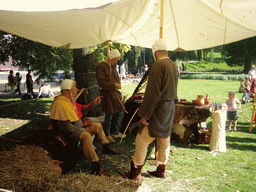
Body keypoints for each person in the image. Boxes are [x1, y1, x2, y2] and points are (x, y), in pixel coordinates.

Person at [121, 39, 179, 180]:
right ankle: (161, 170)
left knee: (142, 139)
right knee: (164, 139)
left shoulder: (158, 65)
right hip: (169, 108)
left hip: (159, 109)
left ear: (156, 52)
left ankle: (135, 173)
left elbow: (152, 93)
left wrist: (145, 114)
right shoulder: (173, 65)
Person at [49, 79, 120, 176]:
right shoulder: (60, 103)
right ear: (69, 89)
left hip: (76, 129)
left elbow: (82, 109)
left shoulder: (69, 100)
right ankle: (96, 166)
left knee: (97, 126)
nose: (77, 89)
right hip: (69, 134)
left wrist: (93, 103)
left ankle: (106, 147)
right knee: (85, 135)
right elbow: (64, 127)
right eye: (75, 87)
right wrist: (81, 126)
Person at [96, 49, 126, 143]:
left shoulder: (112, 65)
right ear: (111, 58)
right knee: (109, 114)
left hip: (114, 93)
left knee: (120, 110)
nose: (116, 62)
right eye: (115, 60)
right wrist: (113, 85)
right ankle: (107, 134)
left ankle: (115, 132)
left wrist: (118, 84)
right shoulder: (101, 66)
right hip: (106, 93)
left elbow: (116, 76)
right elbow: (101, 82)